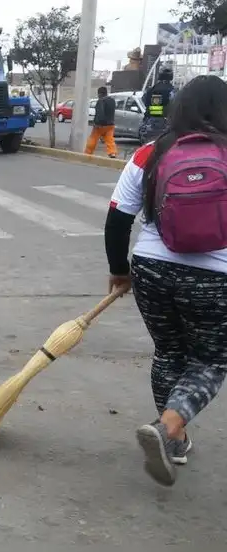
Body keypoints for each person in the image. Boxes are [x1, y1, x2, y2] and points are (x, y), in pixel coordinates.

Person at [104, 75, 227, 486]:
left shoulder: (150, 153)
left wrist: (119, 270)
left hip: (152, 266)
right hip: (216, 273)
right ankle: (169, 426)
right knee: (211, 359)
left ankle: (175, 438)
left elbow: (118, 219)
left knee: (168, 352)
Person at [138, 67, 175, 144]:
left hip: (149, 121)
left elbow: (143, 100)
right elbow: (176, 103)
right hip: (165, 122)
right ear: (171, 77)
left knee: (147, 146)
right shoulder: (172, 91)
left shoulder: (151, 90)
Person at [85, 86, 117, 158]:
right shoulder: (112, 100)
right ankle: (112, 153)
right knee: (110, 139)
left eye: (98, 94)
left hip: (101, 125)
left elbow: (100, 113)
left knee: (93, 138)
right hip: (110, 124)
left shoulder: (101, 101)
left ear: (100, 94)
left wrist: (96, 123)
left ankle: (88, 153)